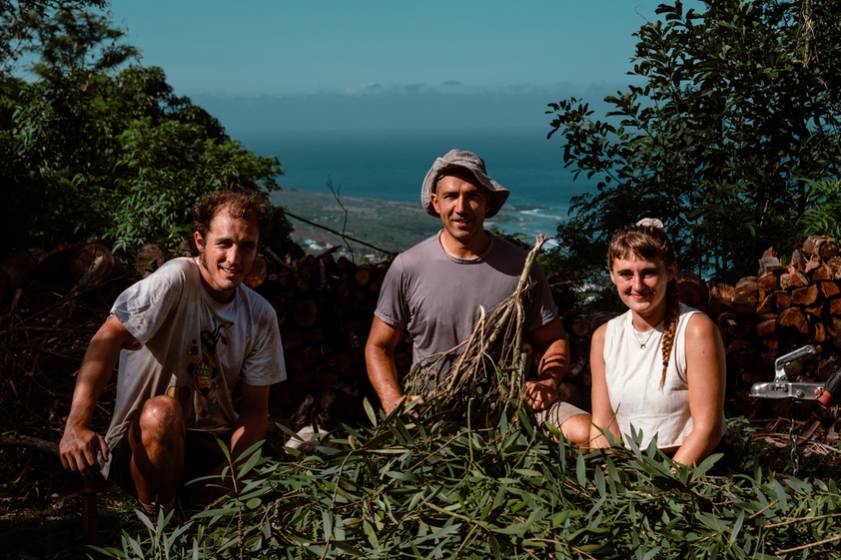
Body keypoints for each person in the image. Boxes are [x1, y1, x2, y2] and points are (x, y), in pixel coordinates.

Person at [59, 191, 287, 514]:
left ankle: (192, 514)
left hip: (209, 447)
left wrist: (227, 477)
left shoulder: (260, 315)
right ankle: (159, 524)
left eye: (247, 246)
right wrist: (76, 424)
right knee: (161, 414)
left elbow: (255, 411)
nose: (234, 258)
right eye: (224, 243)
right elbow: (107, 337)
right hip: (140, 443)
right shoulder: (176, 280)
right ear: (200, 241)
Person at [364, 149, 589, 443]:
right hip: (434, 408)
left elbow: (553, 339)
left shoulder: (521, 268)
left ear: (487, 204)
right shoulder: (409, 267)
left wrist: (547, 382)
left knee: (588, 433)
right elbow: (378, 346)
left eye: (472, 196)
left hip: (510, 405)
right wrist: (393, 401)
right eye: (451, 196)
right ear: (436, 202)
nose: (461, 207)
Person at [589, 219, 726, 465]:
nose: (637, 285)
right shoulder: (604, 337)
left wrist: (667, 483)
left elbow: (709, 429)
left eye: (649, 272)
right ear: (612, 275)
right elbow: (602, 427)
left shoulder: (695, 330)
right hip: (630, 469)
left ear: (670, 271)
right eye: (626, 274)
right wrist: (609, 481)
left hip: (690, 468)